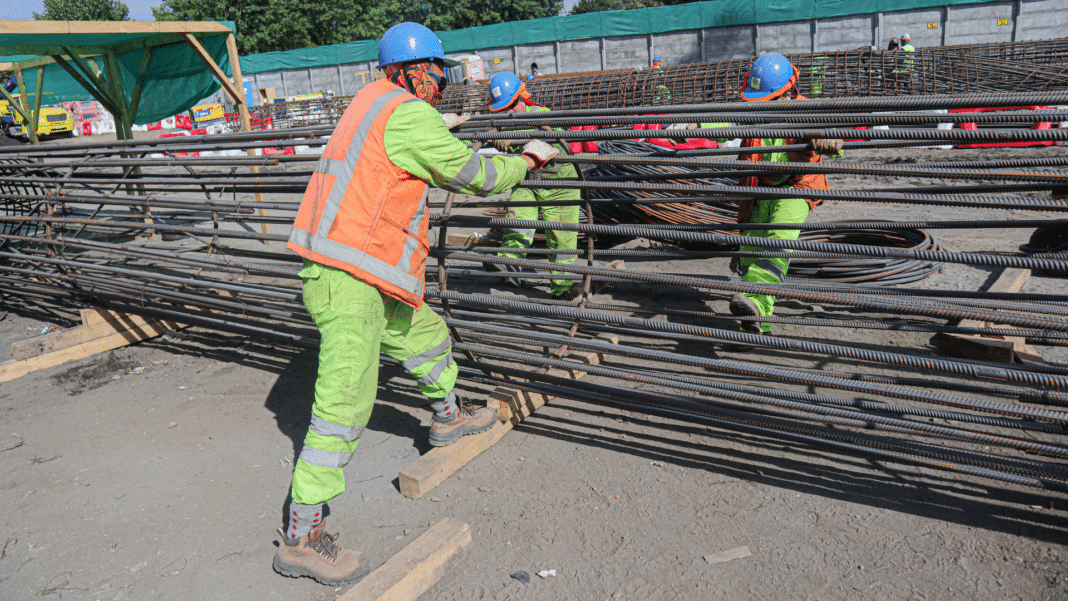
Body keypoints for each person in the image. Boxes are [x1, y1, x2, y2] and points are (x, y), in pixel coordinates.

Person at [275, 22, 558, 584]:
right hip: (347, 275)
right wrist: (527, 160)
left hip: (361, 269)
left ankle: (448, 417)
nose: (442, 81)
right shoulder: (409, 113)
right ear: (410, 70)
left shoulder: (373, 102)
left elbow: (392, 150)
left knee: (425, 335)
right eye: (435, 70)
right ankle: (302, 535)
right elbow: (477, 175)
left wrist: (440, 128)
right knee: (343, 403)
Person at [727, 53, 843, 340]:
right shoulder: (756, 112)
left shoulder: (803, 109)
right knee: (750, 255)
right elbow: (725, 122)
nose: (763, 106)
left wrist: (826, 139)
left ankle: (752, 298)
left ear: (787, 92)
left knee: (776, 246)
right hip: (758, 190)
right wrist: (694, 126)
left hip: (795, 188)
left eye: (769, 100)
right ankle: (754, 327)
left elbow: (825, 130)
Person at [483, 72, 583, 300]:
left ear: (521, 98)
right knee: (517, 220)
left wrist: (518, 138)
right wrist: (493, 133)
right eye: (501, 110)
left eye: (510, 106)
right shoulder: (505, 120)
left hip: (560, 184)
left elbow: (553, 144)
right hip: (529, 180)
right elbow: (487, 133)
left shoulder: (541, 115)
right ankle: (509, 263)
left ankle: (562, 288)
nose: (507, 113)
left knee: (561, 239)